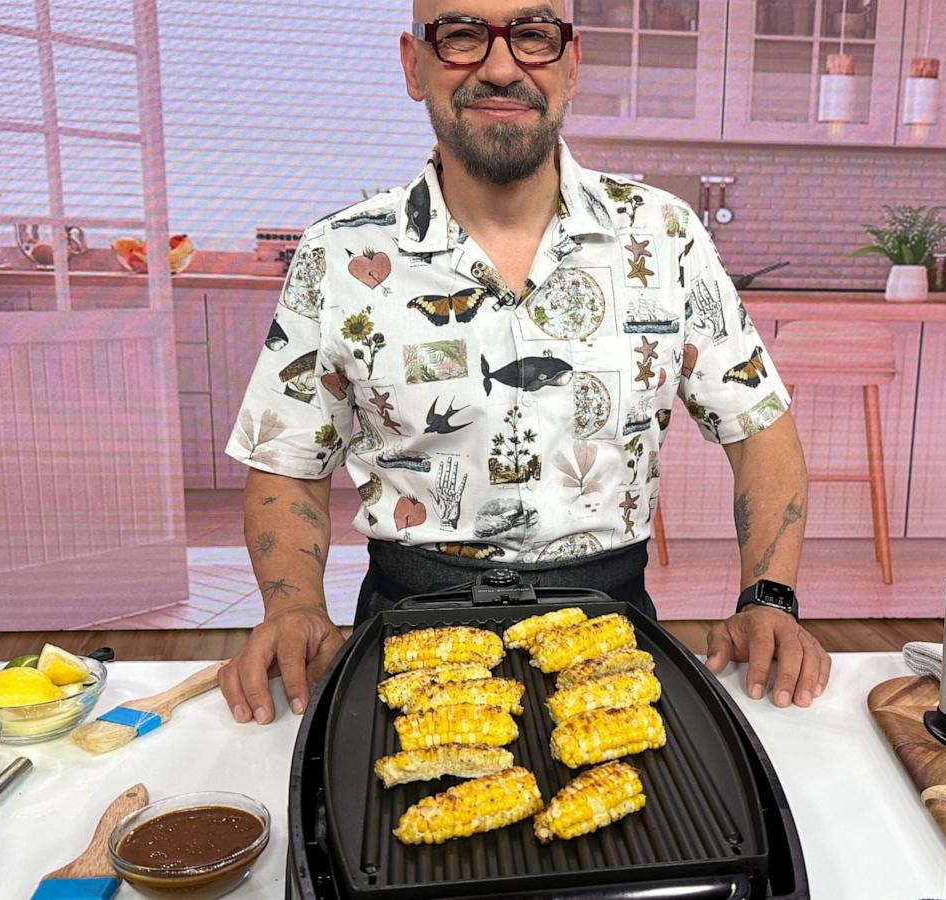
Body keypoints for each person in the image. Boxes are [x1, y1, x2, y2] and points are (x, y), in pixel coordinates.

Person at [217, 0, 829, 726]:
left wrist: (769, 597)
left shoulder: (666, 237)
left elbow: (760, 428)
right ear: (415, 66)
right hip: (406, 620)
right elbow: (287, 459)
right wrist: (292, 609)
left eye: (533, 37)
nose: (501, 67)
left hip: (613, 622)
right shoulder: (339, 256)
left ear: (570, 66)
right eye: (462, 35)